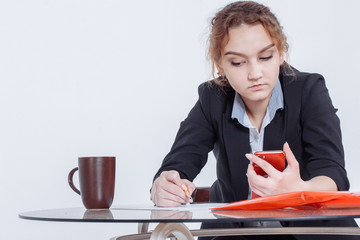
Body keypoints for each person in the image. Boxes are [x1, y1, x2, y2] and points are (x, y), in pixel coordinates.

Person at [151, 1, 359, 239]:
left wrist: (300, 191)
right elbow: (179, 164)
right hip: (235, 233)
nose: (255, 74)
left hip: (311, 232)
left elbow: (333, 173)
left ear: (281, 53)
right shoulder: (213, 98)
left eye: (266, 57)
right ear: (220, 65)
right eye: (238, 62)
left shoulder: (309, 90)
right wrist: (165, 185)